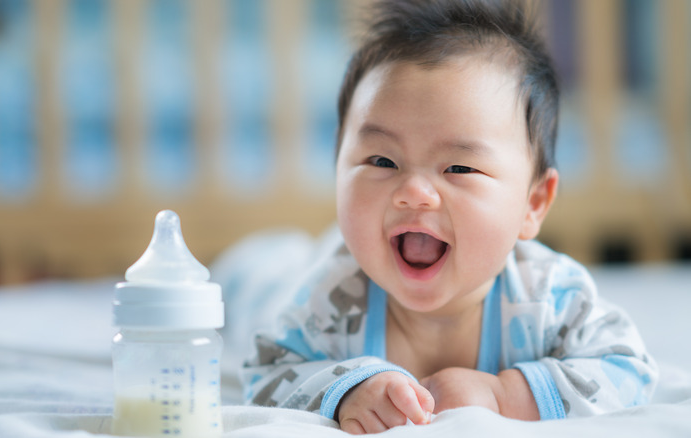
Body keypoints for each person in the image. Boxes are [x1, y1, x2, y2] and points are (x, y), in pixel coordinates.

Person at [242, 0, 658, 433]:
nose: (414, 194)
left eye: (459, 168)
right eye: (382, 161)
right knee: (261, 283)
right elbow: (263, 373)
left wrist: (504, 394)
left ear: (533, 204)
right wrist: (346, 389)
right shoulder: (330, 298)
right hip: (294, 269)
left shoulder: (548, 298)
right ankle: (268, 259)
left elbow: (629, 369)